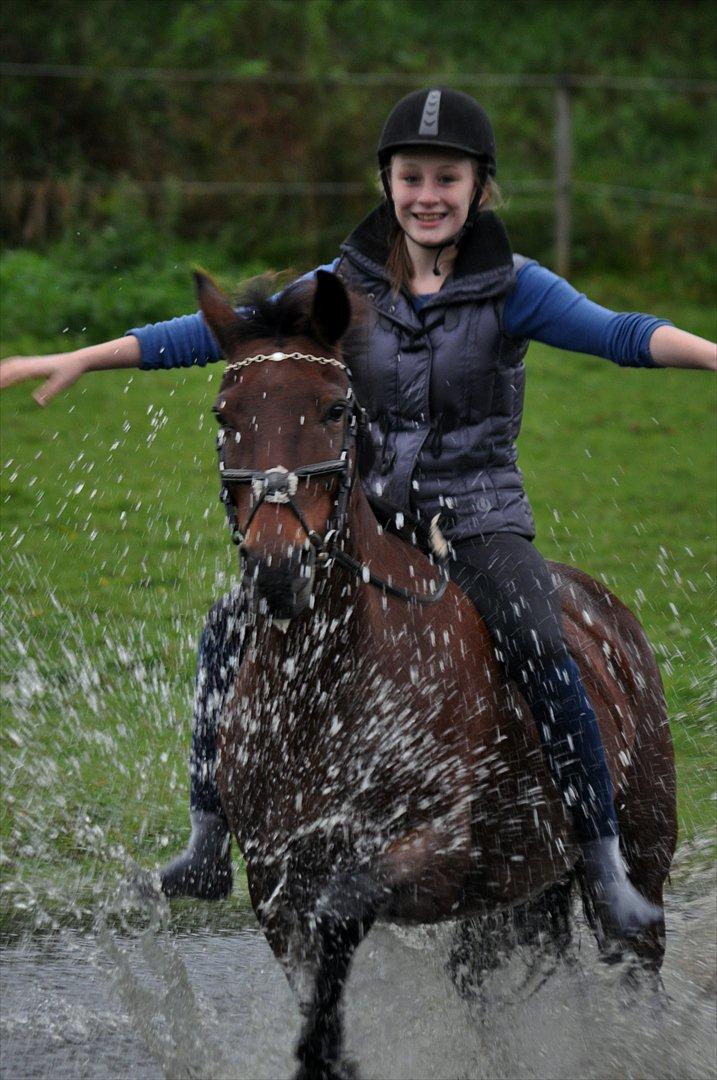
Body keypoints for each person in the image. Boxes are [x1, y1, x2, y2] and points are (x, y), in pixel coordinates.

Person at [2, 88, 714, 937]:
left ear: (478, 187)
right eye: (411, 176)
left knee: (539, 638)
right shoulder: (338, 289)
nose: (427, 194)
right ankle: (204, 839)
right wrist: (80, 357)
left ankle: (600, 860)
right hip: (363, 526)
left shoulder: (516, 287)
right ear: (387, 181)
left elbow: (624, 333)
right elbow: (213, 335)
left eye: (446, 178)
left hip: (477, 522)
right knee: (228, 626)